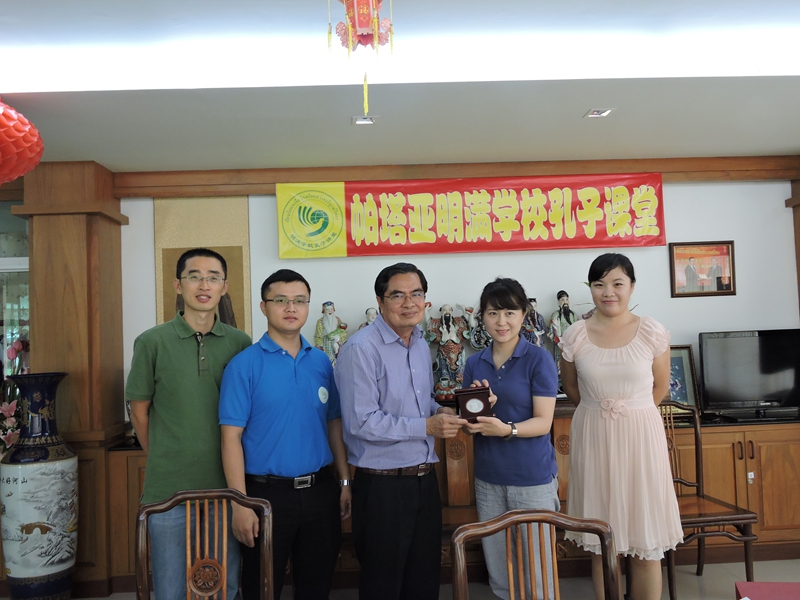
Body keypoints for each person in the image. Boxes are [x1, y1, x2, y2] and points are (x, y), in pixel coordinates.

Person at [334, 262, 468, 600]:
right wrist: (426, 426)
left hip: (424, 480)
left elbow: (420, 405)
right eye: (398, 295)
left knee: (423, 581)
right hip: (382, 487)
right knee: (384, 585)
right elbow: (361, 421)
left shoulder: (420, 343)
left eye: (416, 294)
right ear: (380, 301)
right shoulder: (361, 349)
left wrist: (440, 412)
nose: (409, 303)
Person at [127, 248, 251, 600]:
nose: (204, 285)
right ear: (178, 285)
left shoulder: (240, 343)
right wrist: (163, 456)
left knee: (222, 586)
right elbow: (139, 412)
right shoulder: (152, 341)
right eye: (194, 276)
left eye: (213, 278)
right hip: (169, 492)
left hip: (226, 489)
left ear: (224, 286)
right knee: (171, 588)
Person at [219, 269, 351, 600]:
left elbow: (333, 424)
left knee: (316, 588)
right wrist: (240, 504)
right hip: (265, 497)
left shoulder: (321, 362)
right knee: (262, 588)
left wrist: (344, 481)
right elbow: (230, 438)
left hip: (320, 492)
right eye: (281, 300)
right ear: (264, 306)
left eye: (300, 301)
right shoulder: (243, 365)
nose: (291, 308)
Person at [559, 253, 683, 600]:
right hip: (594, 437)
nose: (608, 292)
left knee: (646, 541)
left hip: (641, 438)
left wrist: (630, 411)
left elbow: (660, 388)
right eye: (599, 284)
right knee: (603, 544)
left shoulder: (651, 331)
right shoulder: (575, 335)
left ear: (631, 286)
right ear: (591, 288)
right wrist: (601, 407)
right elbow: (572, 388)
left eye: (617, 284)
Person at [463, 278, 559, 600]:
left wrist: (507, 429)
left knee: (539, 574)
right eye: (493, 313)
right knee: (501, 573)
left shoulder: (539, 359)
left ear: (523, 314)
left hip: (532, 480)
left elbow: (544, 422)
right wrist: (480, 412)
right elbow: (469, 426)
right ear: (482, 316)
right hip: (488, 480)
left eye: (509, 312)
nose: (501, 321)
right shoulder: (474, 362)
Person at [314, 301, 348, 365]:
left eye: (331, 309)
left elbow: (343, 332)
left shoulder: (338, 319)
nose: (330, 311)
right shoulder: (320, 321)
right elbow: (317, 336)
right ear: (324, 310)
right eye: (327, 309)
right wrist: (320, 346)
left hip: (337, 343)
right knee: (327, 361)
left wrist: (338, 337)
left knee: (339, 361)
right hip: (326, 344)